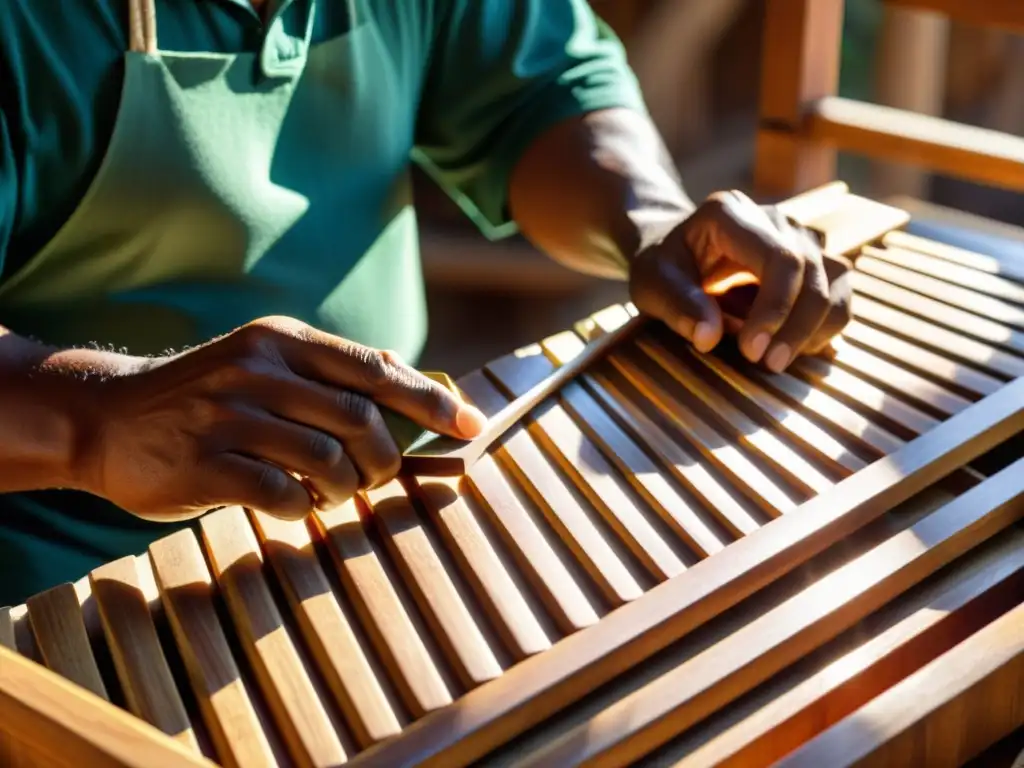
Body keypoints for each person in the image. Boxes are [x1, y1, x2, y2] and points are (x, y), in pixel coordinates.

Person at [0, 0, 851, 605]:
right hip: (64, 601)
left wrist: (653, 223)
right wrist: (98, 420)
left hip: (364, 529)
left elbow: (537, 87)